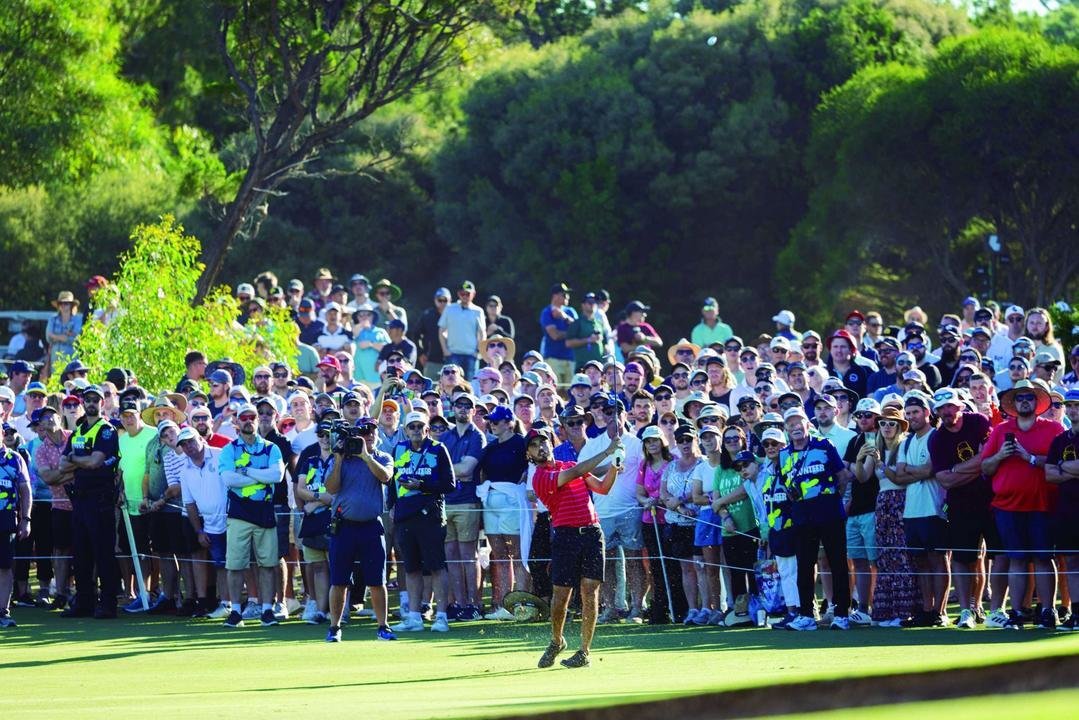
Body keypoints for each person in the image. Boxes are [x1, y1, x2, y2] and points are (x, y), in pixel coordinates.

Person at [529, 425, 621, 669]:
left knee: (589, 591)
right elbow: (580, 469)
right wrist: (607, 452)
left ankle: (584, 651)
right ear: (529, 454)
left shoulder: (569, 466)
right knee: (562, 596)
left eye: (544, 442)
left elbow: (603, 488)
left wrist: (614, 467)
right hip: (565, 536)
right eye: (535, 445)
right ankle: (557, 640)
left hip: (592, 533)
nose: (541, 447)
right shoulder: (540, 477)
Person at [980, 379, 1064, 629]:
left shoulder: (1053, 429)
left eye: (1029, 397)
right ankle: (1017, 612)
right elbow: (985, 467)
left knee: (1042, 558)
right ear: (1013, 404)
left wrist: (1029, 458)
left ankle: (1048, 611)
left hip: (1042, 504)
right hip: (1007, 506)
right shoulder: (1000, 430)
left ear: (1036, 402)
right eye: (1020, 398)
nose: (1024, 401)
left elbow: (1058, 463)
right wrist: (1001, 455)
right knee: (1016, 559)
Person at [928, 388, 1000, 629]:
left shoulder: (978, 422)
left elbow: (989, 458)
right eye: (941, 408)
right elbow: (944, 480)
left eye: (950, 406)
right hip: (960, 505)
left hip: (991, 500)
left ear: (960, 405)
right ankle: (967, 610)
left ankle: (994, 609)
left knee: (995, 555)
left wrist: (958, 469)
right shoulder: (937, 438)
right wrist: (975, 466)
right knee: (962, 559)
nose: (946, 412)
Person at [779, 406, 852, 629]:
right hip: (802, 514)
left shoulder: (824, 445)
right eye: (790, 425)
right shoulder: (783, 454)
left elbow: (842, 477)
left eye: (798, 423)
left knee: (837, 561)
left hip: (828, 510)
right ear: (786, 429)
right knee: (805, 564)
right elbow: (787, 484)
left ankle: (841, 613)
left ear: (807, 424)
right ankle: (806, 615)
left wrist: (830, 498)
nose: (795, 428)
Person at [323, 415, 395, 642]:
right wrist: (339, 458)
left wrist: (365, 456)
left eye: (372, 430)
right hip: (344, 527)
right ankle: (334, 627)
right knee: (339, 580)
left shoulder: (382, 457)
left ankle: (383, 626)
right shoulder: (343, 458)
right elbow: (331, 487)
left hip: (371, 526)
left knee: (377, 580)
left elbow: (385, 477)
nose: (370, 435)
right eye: (364, 432)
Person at [578, 394, 646, 622]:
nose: (613, 416)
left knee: (635, 560)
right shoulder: (594, 445)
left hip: (630, 509)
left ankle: (637, 606)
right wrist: (611, 463)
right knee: (604, 564)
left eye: (617, 411)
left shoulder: (636, 443)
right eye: (608, 412)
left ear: (625, 414)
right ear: (601, 415)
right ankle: (610, 607)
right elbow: (583, 472)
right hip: (603, 512)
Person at [218, 403, 286, 628]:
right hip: (239, 512)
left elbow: (276, 475)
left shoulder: (271, 448)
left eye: (252, 416)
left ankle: (267, 609)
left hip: (264, 510)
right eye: (243, 417)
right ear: (236, 421)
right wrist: (261, 476)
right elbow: (229, 479)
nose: (248, 420)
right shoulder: (230, 449)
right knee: (235, 565)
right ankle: (236, 611)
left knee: (268, 564)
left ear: (258, 420)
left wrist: (246, 471)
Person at [58, 385, 122, 619]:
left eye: (96, 399)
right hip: (81, 498)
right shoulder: (78, 431)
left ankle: (108, 603)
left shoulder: (106, 430)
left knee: (103, 553)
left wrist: (75, 458)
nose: (92, 403)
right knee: (81, 553)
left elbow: (96, 462)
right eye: (88, 399)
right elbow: (62, 466)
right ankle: (84, 602)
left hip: (101, 498)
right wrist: (79, 460)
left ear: (103, 403)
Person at [389, 411, 457, 633]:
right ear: (406, 430)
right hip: (405, 516)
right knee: (411, 568)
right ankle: (414, 616)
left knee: (436, 566)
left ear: (427, 429)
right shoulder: (399, 448)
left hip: (431, 516)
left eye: (420, 426)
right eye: (412, 427)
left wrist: (422, 485)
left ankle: (441, 616)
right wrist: (392, 505)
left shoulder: (438, 449)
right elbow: (392, 481)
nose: (416, 430)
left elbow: (450, 484)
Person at [889, 392, 949, 627]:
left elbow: (929, 470)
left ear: (927, 412)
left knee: (937, 558)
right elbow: (901, 476)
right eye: (909, 413)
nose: (912, 416)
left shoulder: (936, 436)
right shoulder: (906, 442)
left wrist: (918, 472)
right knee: (920, 561)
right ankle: (926, 609)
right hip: (911, 510)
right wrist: (920, 472)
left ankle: (940, 611)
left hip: (933, 508)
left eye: (916, 412)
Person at [475, 400, 530, 620]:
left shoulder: (521, 443)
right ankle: (503, 604)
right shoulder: (490, 446)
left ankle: (521, 604)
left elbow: (530, 468)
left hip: (512, 500)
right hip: (491, 501)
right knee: (498, 554)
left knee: (516, 553)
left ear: (509, 423)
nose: (492, 425)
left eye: (496, 421)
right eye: (490, 422)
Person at [441, 392, 487, 621]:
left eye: (467, 405)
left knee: (469, 555)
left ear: (473, 410)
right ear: (453, 408)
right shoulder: (445, 437)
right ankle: (458, 603)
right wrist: (454, 472)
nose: (462, 409)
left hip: (468, 502)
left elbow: (468, 470)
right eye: (458, 405)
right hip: (446, 502)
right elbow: (449, 470)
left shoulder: (477, 436)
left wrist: (448, 472)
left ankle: (474, 603)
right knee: (450, 555)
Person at [177, 427, 229, 618]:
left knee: (238, 564)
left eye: (190, 441)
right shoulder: (185, 470)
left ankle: (246, 604)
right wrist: (199, 531)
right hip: (210, 524)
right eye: (183, 444)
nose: (188, 446)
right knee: (221, 564)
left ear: (200, 438)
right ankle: (226, 604)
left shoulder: (220, 455)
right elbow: (189, 504)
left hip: (231, 519)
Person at [1046, 389, 1079, 630]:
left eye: (1078, 405)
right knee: (1072, 562)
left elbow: (1057, 470)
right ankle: (1076, 612)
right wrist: (1068, 468)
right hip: (1067, 510)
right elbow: (1049, 474)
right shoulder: (1060, 440)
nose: (1074, 409)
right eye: (1071, 405)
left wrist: (1061, 466)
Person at [0, 436, 32, 627]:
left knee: (4, 567)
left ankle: (2, 612)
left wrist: (26, 519)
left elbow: (25, 490)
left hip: (6, 518)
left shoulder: (15, 458)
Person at [439, 281, 485, 380]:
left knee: (471, 385)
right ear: (458, 294)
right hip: (453, 354)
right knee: (451, 383)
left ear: (473, 294)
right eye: (462, 293)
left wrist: (479, 352)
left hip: (471, 355)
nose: (464, 296)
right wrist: (445, 350)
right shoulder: (450, 308)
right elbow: (441, 330)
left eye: (467, 293)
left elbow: (482, 333)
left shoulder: (478, 311)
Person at [539, 283, 578, 386]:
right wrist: (570, 334)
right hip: (553, 358)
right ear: (555, 296)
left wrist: (564, 317)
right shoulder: (547, 312)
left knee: (571, 389)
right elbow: (554, 335)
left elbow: (579, 331)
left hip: (571, 358)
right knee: (555, 388)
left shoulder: (570, 311)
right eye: (564, 294)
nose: (567, 297)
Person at [565, 293, 607, 372]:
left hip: (599, 366)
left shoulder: (599, 323)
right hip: (583, 366)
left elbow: (605, 343)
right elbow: (568, 343)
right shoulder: (577, 323)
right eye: (590, 302)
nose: (593, 304)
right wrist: (588, 340)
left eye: (595, 302)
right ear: (583, 305)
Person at [45, 291, 83, 375]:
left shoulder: (78, 319)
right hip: (55, 358)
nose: (63, 305)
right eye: (60, 303)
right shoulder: (52, 319)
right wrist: (66, 336)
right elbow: (48, 337)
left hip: (71, 357)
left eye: (66, 303)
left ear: (71, 305)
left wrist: (56, 336)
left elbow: (76, 339)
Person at [417, 288, 451, 380]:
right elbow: (416, 334)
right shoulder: (428, 315)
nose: (443, 303)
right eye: (440, 300)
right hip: (431, 360)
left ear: (450, 300)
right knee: (430, 390)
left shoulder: (455, 315)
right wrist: (421, 353)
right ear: (435, 300)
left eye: (445, 300)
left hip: (452, 359)